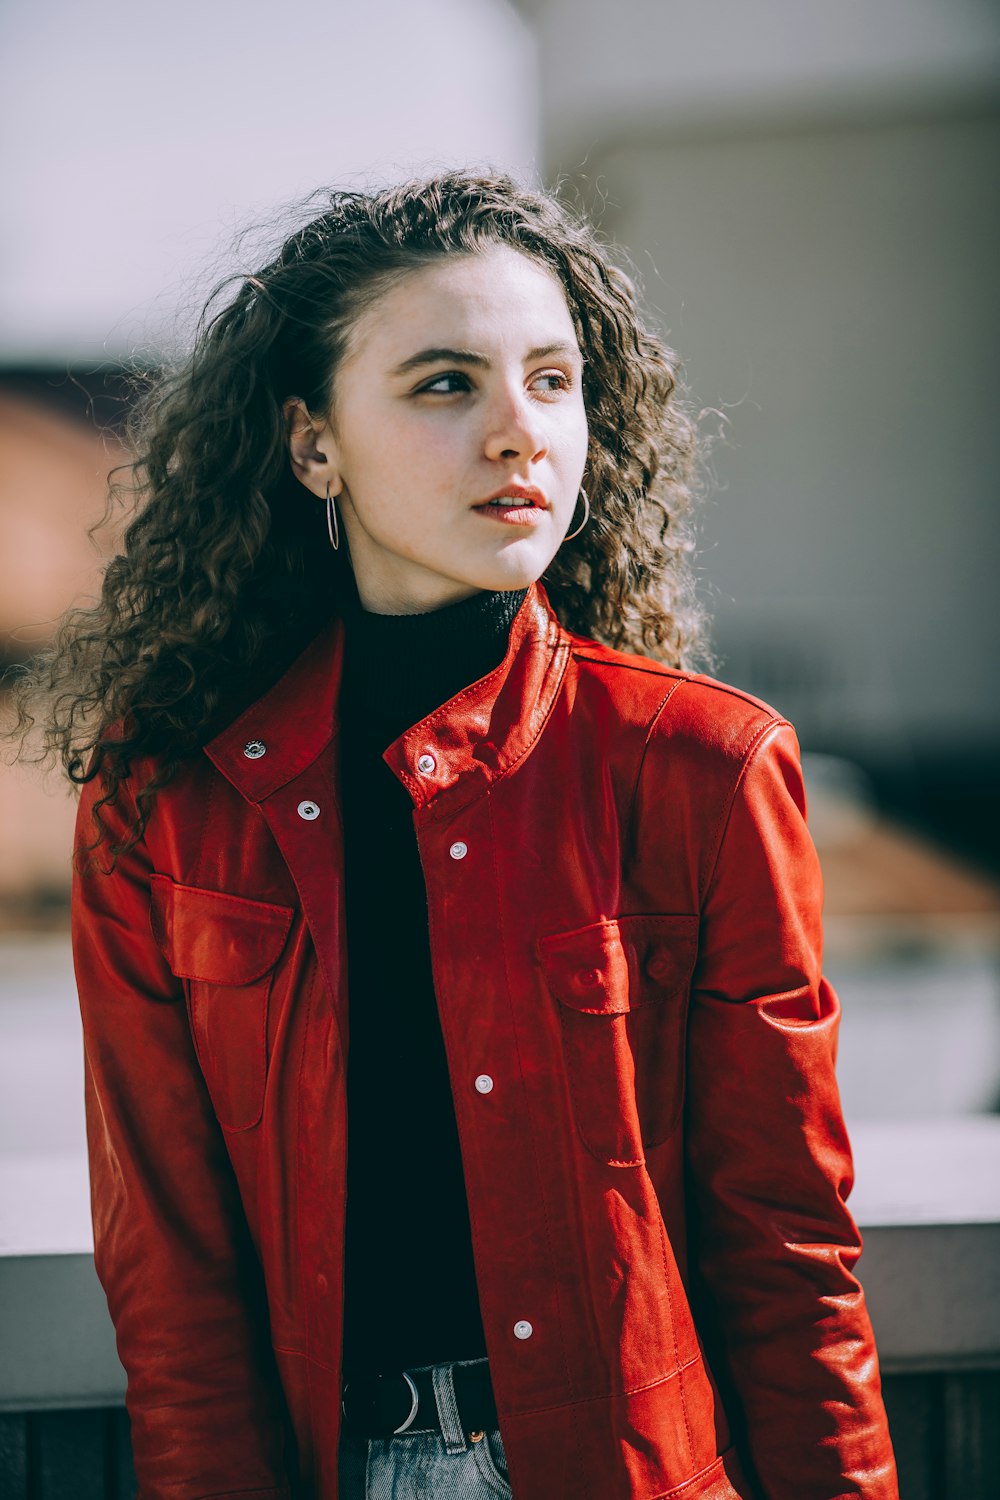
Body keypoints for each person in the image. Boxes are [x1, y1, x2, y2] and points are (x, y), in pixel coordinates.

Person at [17, 172, 898, 1498]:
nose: (519, 433)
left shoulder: (704, 771)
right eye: (446, 384)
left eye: (552, 380)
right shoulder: (168, 800)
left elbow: (788, 1250)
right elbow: (172, 1272)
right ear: (314, 446)